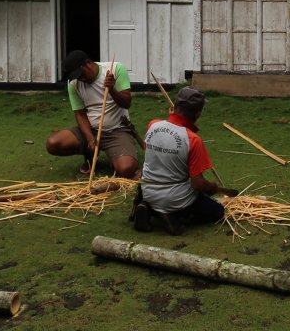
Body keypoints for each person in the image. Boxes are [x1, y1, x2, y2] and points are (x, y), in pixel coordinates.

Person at [132, 86, 237, 234]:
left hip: (148, 191)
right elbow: (197, 184)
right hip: (175, 199)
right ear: (197, 113)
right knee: (217, 211)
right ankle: (172, 214)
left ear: (174, 106)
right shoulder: (193, 140)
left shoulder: (153, 124)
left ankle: (149, 208)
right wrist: (211, 187)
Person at [45, 50, 139, 178]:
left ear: (88, 63)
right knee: (53, 143)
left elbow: (126, 103)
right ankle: (90, 154)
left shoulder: (115, 69)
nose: (81, 79)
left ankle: (115, 158)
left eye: (81, 74)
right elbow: (80, 114)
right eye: (77, 77)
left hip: (118, 130)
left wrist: (112, 90)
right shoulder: (73, 84)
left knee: (126, 170)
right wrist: (90, 138)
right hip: (91, 129)